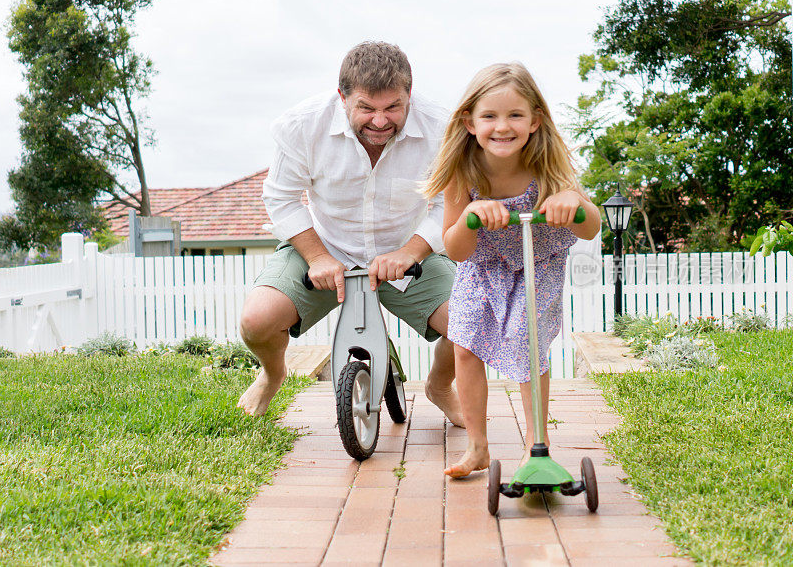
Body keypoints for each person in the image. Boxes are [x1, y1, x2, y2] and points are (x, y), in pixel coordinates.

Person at [238, 41, 464, 428]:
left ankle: (440, 386)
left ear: (410, 93)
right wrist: (317, 257)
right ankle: (273, 374)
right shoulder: (301, 125)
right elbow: (281, 197)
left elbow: (451, 201)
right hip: (323, 249)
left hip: (408, 254)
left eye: (394, 107)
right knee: (257, 321)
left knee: (471, 324)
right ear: (342, 97)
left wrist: (411, 251)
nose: (380, 121)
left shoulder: (443, 127)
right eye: (366, 108)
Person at [422, 62, 601, 477]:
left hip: (537, 267)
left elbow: (591, 229)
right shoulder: (462, 174)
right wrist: (469, 215)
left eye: (515, 115)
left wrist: (574, 206)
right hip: (481, 268)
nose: (502, 127)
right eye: (490, 116)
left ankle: (536, 448)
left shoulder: (549, 169)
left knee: (527, 341)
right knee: (463, 346)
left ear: (535, 120)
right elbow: (457, 251)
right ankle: (478, 447)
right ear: (469, 122)